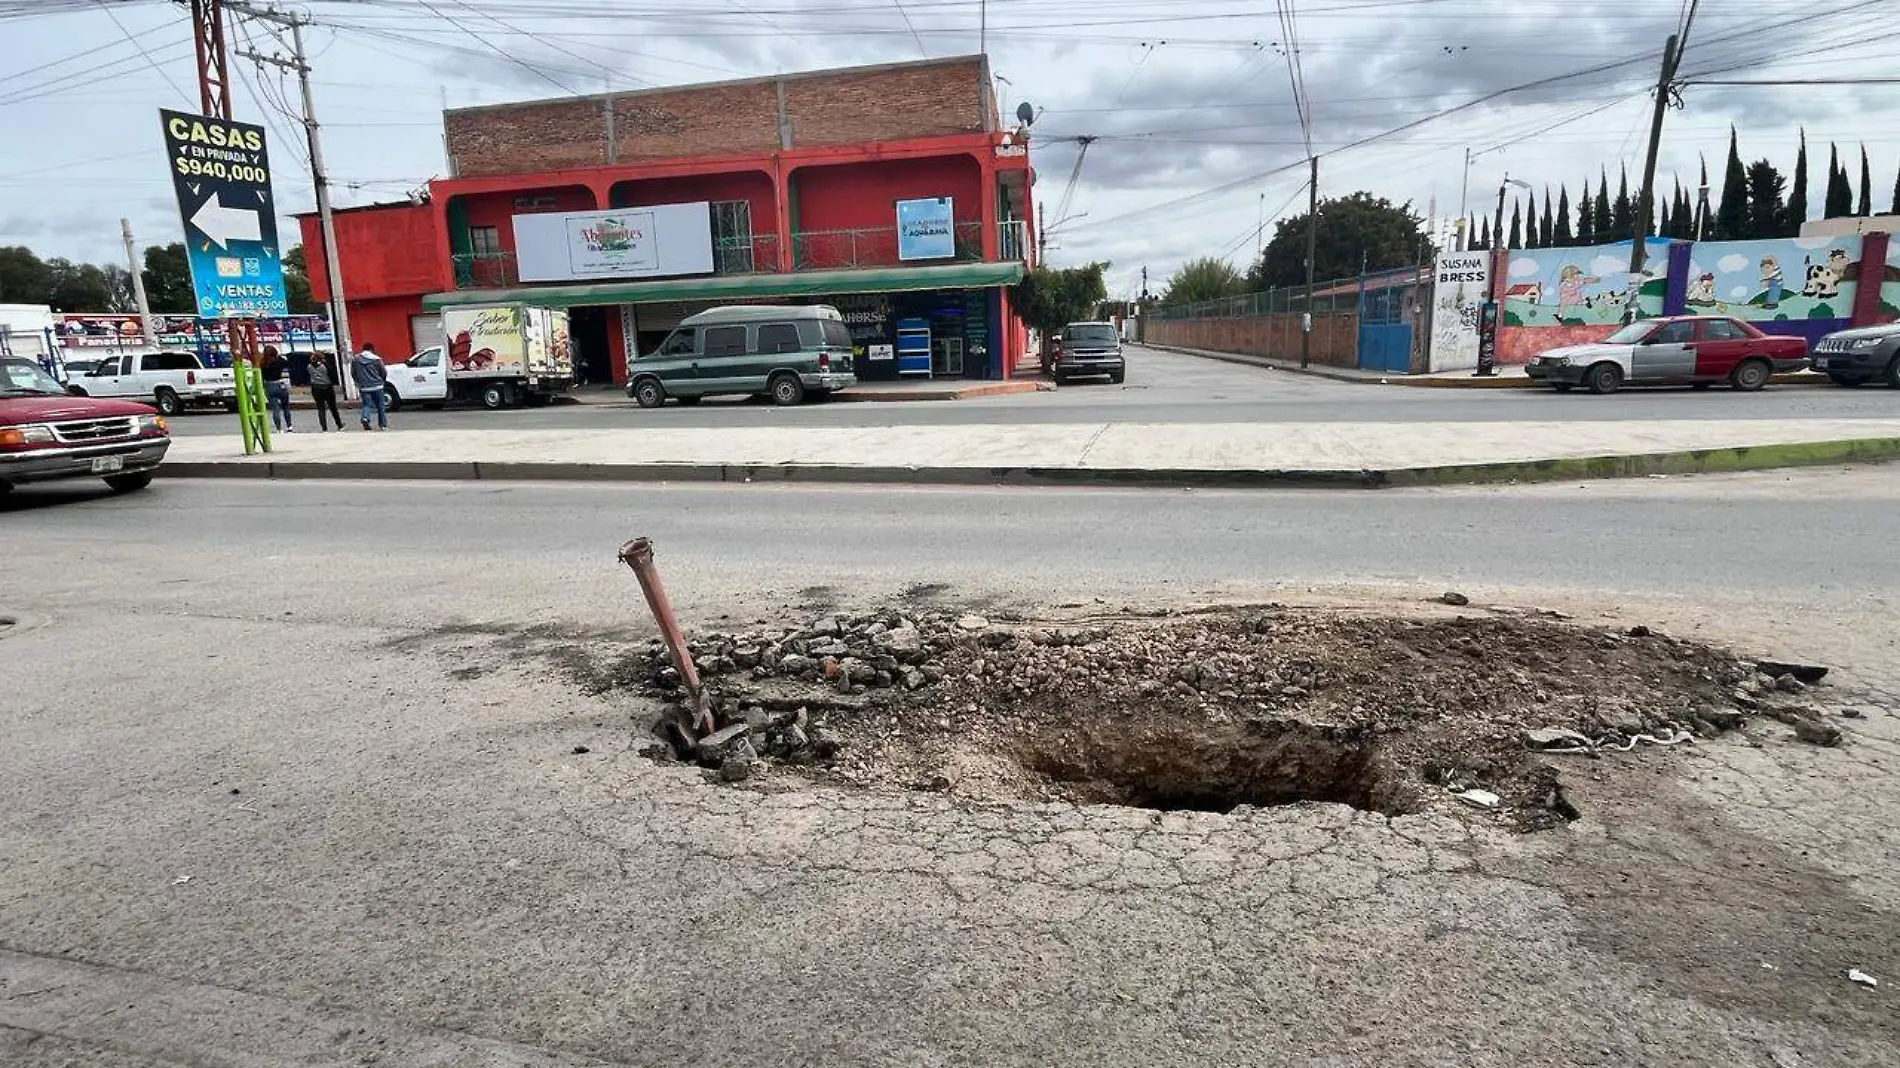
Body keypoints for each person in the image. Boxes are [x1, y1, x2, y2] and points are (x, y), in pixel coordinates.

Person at [352, 342, 389, 431]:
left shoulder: (356, 359)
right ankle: (383, 425)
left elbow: (353, 373)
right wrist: (381, 381)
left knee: (366, 404)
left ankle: (365, 418)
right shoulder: (377, 359)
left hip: (364, 387)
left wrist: (358, 382)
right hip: (377, 386)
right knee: (380, 406)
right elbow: (383, 372)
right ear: (372, 349)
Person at [307, 350, 344, 431]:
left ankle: (324, 427)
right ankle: (339, 424)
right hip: (327, 387)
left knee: (320, 408)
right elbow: (332, 374)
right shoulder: (325, 366)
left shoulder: (309, 366)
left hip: (315, 388)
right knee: (333, 407)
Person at [259, 344, 293, 433]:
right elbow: (288, 364)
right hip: (280, 383)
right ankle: (289, 426)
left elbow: (261, 376)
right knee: (286, 407)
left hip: (269, 386)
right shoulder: (279, 361)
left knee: (275, 409)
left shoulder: (262, 363)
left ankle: (279, 429)